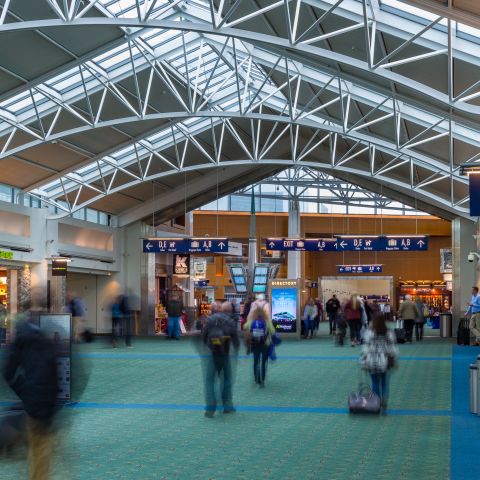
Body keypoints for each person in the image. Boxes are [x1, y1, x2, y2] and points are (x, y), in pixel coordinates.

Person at [3, 316, 59, 479]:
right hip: (47, 410)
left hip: (30, 408)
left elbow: (8, 373)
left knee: (35, 452)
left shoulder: (19, 344)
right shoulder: (48, 344)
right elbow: (58, 380)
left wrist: (24, 392)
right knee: (41, 458)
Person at [202, 301, 240, 417]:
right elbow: (236, 340)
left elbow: (204, 337)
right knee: (227, 380)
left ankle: (210, 408)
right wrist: (236, 351)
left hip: (213, 354)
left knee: (209, 381)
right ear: (230, 311)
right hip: (225, 354)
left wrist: (208, 346)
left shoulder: (210, 319)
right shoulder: (231, 322)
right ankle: (227, 406)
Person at [360, 312, 398, 413]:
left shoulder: (369, 332)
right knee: (385, 383)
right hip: (384, 361)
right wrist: (394, 359)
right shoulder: (389, 332)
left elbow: (365, 348)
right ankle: (384, 401)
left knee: (375, 383)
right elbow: (392, 348)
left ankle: (377, 403)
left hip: (372, 360)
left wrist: (363, 361)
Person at [243, 307, 276, 387]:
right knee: (264, 362)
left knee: (256, 361)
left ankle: (256, 379)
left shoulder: (252, 321)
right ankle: (263, 380)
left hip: (255, 344)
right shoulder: (267, 321)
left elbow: (244, 327)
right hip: (265, 344)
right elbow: (272, 331)